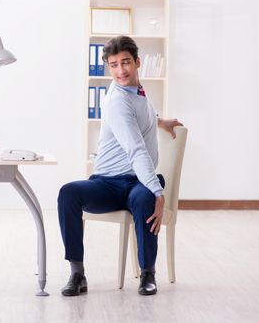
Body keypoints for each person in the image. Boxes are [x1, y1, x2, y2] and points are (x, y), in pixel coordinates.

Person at [57, 35, 183, 296]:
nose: (120, 71)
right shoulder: (116, 99)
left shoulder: (138, 92)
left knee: (143, 197)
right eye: (113, 65)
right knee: (68, 193)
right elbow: (136, 148)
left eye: (125, 63)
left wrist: (161, 121)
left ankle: (148, 272)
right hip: (107, 184)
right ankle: (77, 273)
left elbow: (140, 116)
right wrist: (160, 194)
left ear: (137, 62)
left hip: (137, 182)